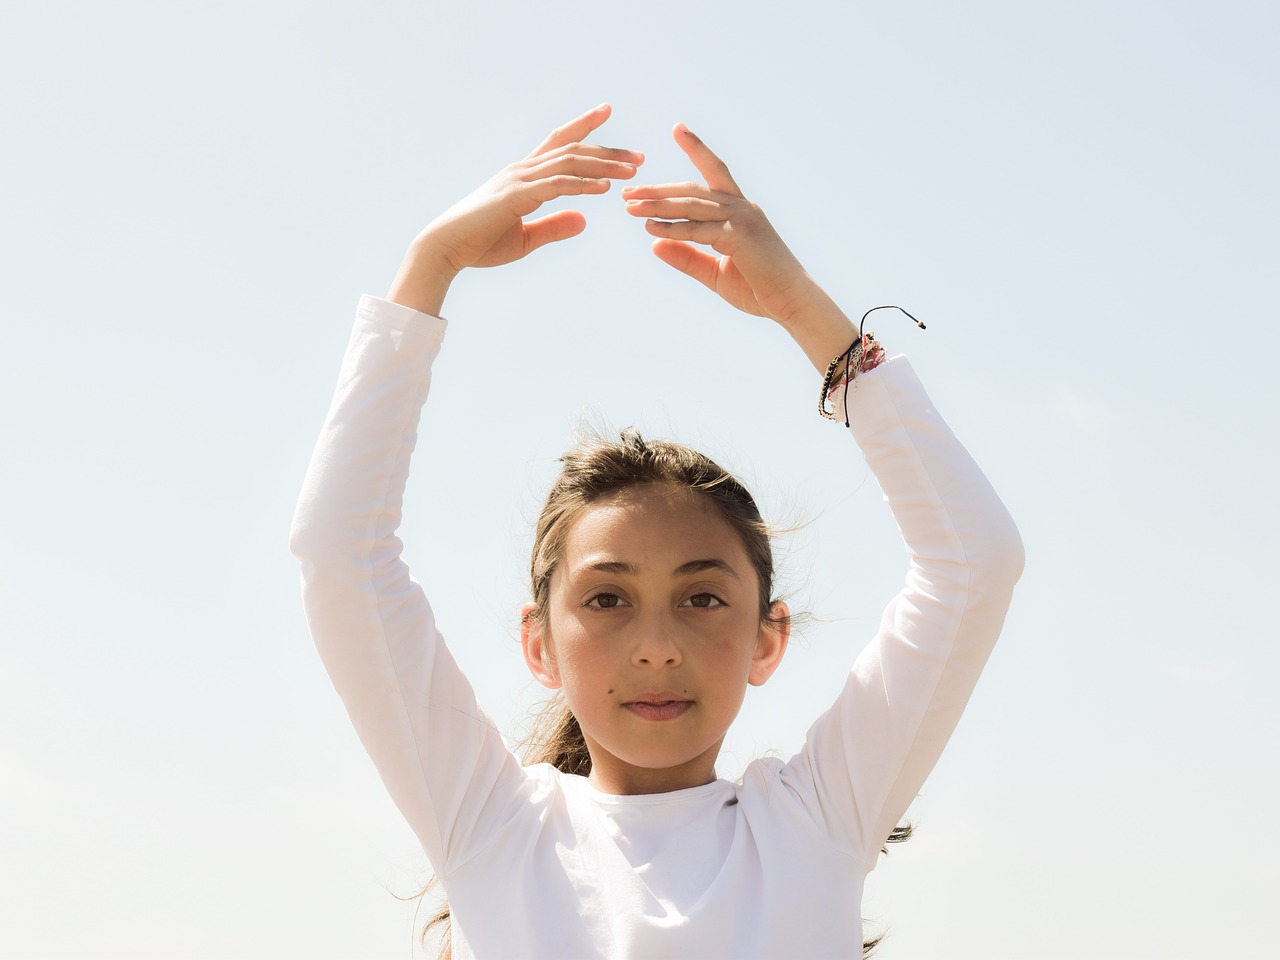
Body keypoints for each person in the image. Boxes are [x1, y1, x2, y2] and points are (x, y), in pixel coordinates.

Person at [290, 103, 1024, 958]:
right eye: (606, 598)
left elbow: (975, 561)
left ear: (767, 637)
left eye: (703, 596)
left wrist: (809, 318)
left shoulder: (818, 822)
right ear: (540, 644)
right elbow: (339, 554)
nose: (656, 645)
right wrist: (429, 265)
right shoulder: (491, 826)